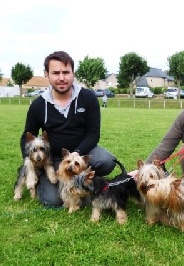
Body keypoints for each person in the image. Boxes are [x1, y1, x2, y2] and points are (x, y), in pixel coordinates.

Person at [19, 51, 116, 206]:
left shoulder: (88, 98)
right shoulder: (38, 105)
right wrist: (30, 166)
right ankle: (47, 180)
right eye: (56, 73)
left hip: (83, 152)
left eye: (66, 72)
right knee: (53, 200)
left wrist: (77, 154)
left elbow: (93, 134)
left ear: (73, 73)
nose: (62, 78)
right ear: (47, 74)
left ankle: (83, 179)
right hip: (54, 159)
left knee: (107, 161)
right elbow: (26, 137)